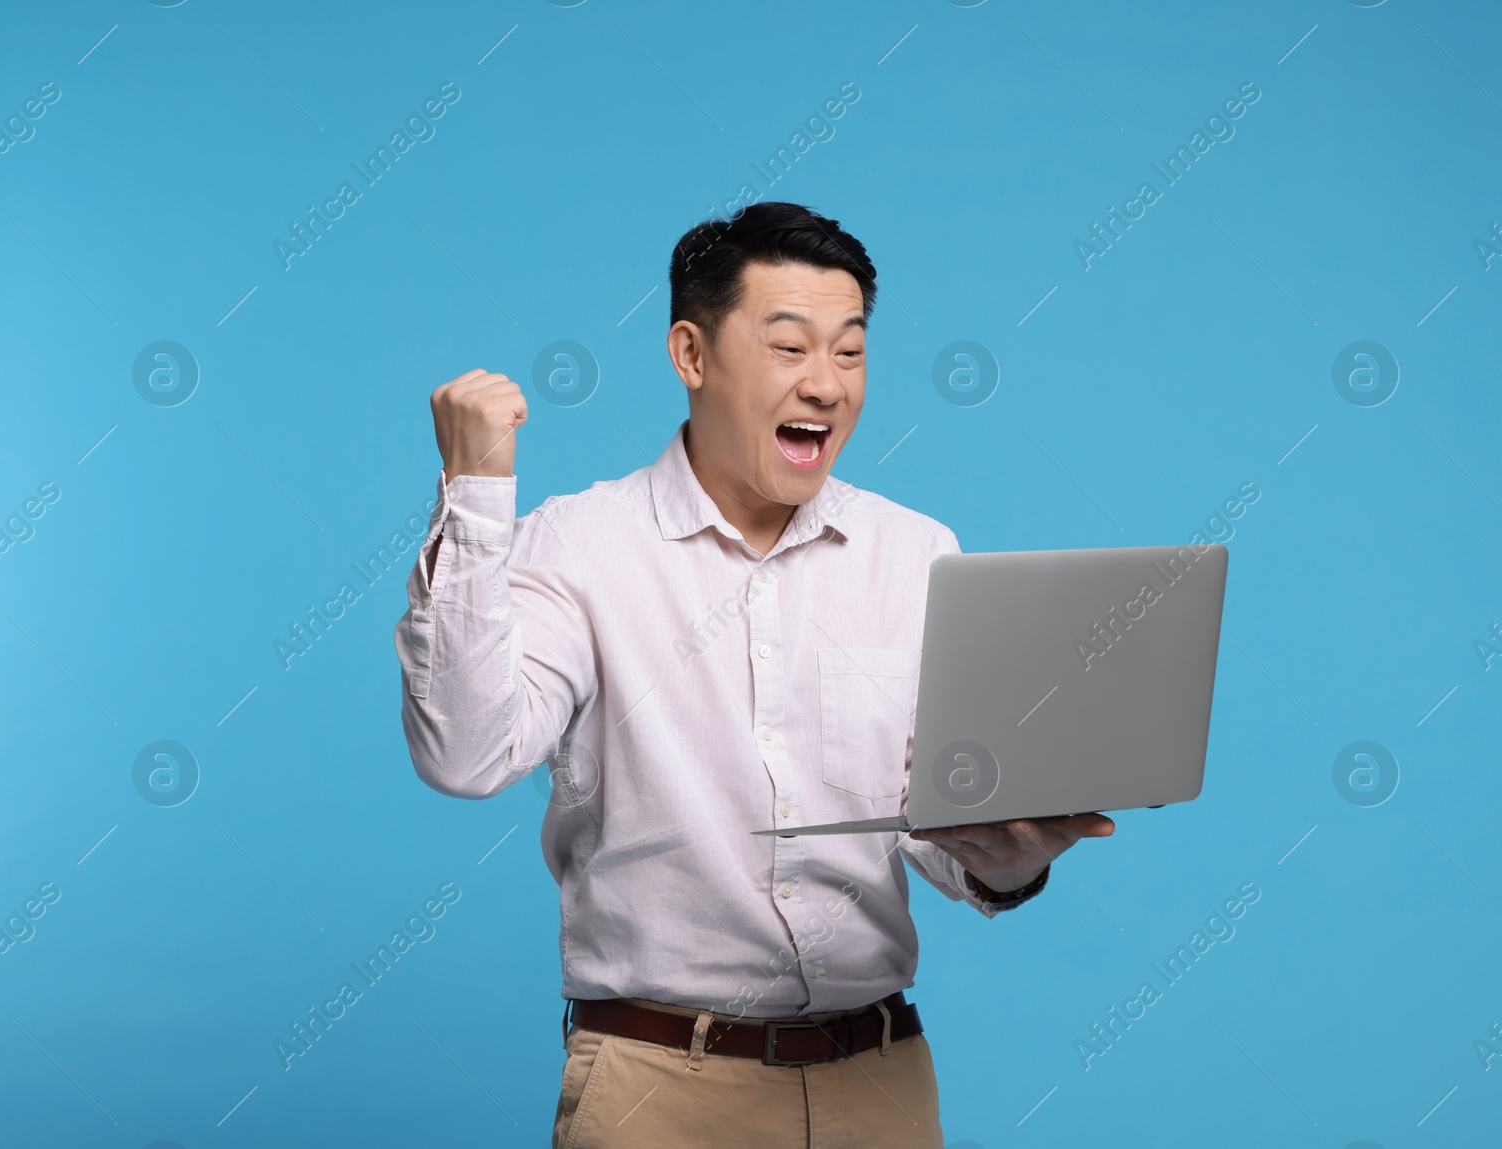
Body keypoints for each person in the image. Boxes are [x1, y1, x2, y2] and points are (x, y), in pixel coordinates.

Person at [394, 201, 1115, 1148]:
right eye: (789, 348)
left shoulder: (916, 551)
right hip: (660, 1094)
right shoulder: (579, 546)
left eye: (850, 352)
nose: (826, 384)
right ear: (691, 355)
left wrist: (1012, 856)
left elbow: (935, 825)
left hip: (883, 1083)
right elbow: (465, 751)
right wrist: (478, 492)